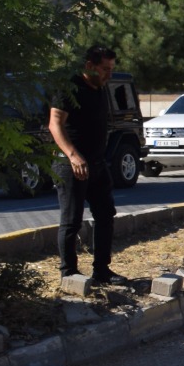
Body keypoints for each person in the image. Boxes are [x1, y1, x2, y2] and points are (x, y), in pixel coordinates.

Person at [48, 46, 125, 286]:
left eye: (111, 69)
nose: (109, 74)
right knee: (72, 220)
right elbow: (55, 124)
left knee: (105, 215)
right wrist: (73, 155)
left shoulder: (101, 88)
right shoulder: (69, 87)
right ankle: (69, 274)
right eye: (105, 69)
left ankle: (102, 271)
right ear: (89, 66)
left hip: (97, 164)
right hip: (71, 165)